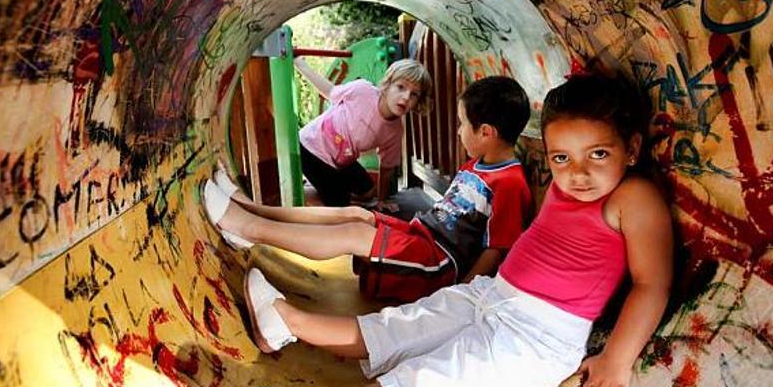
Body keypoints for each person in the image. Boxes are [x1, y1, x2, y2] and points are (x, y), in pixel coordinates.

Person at [237, 73, 674, 387]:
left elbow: (651, 284)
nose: (577, 172)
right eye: (562, 158)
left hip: (536, 338)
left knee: (431, 381)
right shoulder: (568, 186)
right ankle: (288, 323)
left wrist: (617, 359)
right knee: (400, 326)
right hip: (491, 295)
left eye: (597, 154)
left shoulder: (633, 198)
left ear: (631, 148)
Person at [204, 76, 533, 302]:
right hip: (422, 235)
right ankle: (251, 208)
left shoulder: (510, 184)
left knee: (352, 234)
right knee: (355, 214)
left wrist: (461, 296)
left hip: (439, 264)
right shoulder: (476, 165)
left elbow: (496, 249)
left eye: (462, 123)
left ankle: (249, 229)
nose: (459, 131)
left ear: (486, 132)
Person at [294, 56, 432, 207]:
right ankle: (305, 196)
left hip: (342, 159)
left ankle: (328, 187)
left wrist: (382, 200)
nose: (406, 97)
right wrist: (301, 65)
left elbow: (387, 167)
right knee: (339, 203)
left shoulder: (395, 131)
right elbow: (330, 91)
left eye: (414, 94)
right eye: (401, 87)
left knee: (367, 192)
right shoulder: (362, 91)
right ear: (387, 84)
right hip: (310, 147)